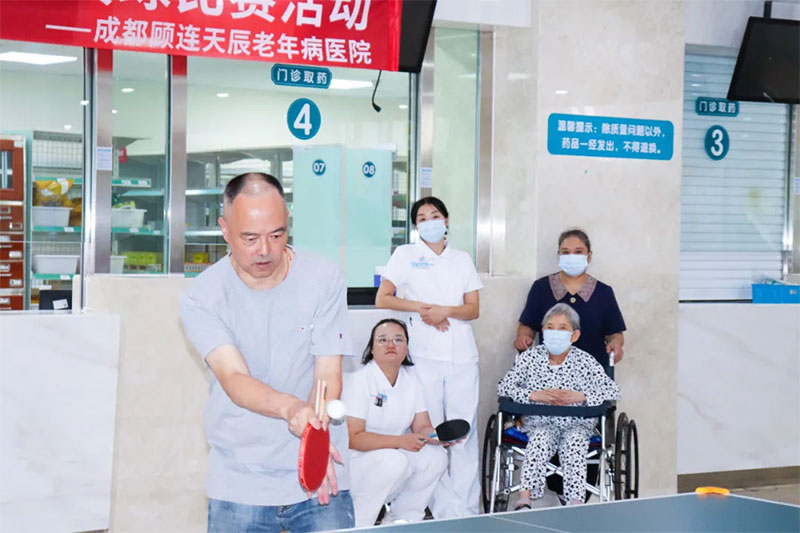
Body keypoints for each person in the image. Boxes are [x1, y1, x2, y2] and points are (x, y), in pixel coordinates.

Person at [180, 172, 354, 532]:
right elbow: (234, 378)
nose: (264, 249)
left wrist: (316, 440)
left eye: (277, 235)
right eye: (250, 238)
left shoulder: (324, 279)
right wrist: (292, 409)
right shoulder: (202, 296)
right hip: (240, 484)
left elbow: (327, 372)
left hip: (323, 478)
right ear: (225, 229)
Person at [375, 196, 483, 518]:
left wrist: (445, 311)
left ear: (446, 220)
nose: (429, 222)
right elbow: (384, 298)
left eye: (434, 215)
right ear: (415, 226)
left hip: (462, 355)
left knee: (463, 434)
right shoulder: (405, 255)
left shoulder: (462, 259)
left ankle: (467, 510)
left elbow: (473, 309)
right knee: (434, 433)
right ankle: (446, 510)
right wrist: (424, 309)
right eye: (421, 218)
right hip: (424, 356)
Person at [498, 303, 620, 508]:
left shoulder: (585, 361)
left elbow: (613, 391)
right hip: (540, 421)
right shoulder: (529, 358)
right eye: (550, 327)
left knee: (574, 443)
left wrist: (581, 396)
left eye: (562, 328)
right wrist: (534, 395)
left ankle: (574, 502)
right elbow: (504, 387)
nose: (555, 332)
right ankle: (525, 498)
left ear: (574, 335)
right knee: (540, 439)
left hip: (577, 423)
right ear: (543, 331)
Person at [342, 318, 448, 527]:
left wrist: (438, 437)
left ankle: (402, 521)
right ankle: (359, 525)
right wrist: (400, 441)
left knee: (435, 457)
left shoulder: (411, 382)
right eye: (383, 340)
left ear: (406, 348)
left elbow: (422, 427)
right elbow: (353, 438)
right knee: (394, 461)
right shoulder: (359, 380)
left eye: (398, 340)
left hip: (394, 459)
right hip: (356, 462)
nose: (391, 345)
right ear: (372, 348)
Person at [515, 228, 626, 366]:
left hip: (592, 370)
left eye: (578, 252)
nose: (571, 256)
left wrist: (615, 344)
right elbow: (528, 325)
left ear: (589, 256)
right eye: (566, 252)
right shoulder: (541, 288)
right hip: (548, 370)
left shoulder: (603, 292)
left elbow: (614, 332)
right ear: (559, 255)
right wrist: (523, 338)